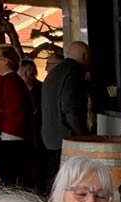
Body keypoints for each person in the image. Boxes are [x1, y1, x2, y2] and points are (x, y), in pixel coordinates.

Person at [0, 44, 35, 190]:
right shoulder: (19, 81)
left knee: (6, 183)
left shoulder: (0, 81)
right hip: (21, 137)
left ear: (6, 61)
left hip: (3, 139)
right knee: (21, 181)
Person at [41, 41, 90, 190]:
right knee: (69, 183)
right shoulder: (74, 73)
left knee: (56, 182)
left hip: (50, 137)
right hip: (66, 137)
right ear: (84, 56)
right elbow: (71, 108)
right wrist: (82, 136)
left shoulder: (55, 72)